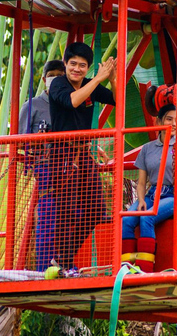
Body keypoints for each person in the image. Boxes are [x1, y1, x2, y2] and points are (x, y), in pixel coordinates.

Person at [47, 42, 117, 271]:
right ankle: (64, 262)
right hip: (61, 153)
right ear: (65, 64)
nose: (77, 69)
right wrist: (98, 79)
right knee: (66, 210)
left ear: (87, 68)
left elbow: (117, 100)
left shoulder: (88, 84)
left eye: (82, 65)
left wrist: (113, 77)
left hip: (83, 152)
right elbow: (72, 101)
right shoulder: (58, 84)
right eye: (73, 64)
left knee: (96, 210)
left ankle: (64, 259)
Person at [18, 60, 65, 271]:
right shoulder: (32, 106)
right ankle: (43, 269)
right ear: (44, 79)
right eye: (52, 75)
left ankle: (64, 264)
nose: (55, 78)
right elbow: (19, 142)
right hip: (43, 168)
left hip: (66, 168)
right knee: (48, 216)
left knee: (70, 216)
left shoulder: (69, 104)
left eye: (59, 75)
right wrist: (37, 140)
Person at [121, 104, 177, 273]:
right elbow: (141, 182)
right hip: (152, 194)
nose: (173, 124)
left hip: (176, 194)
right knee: (126, 220)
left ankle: (144, 269)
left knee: (147, 218)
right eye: (169, 119)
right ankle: (127, 267)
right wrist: (141, 200)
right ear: (158, 121)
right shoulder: (147, 149)